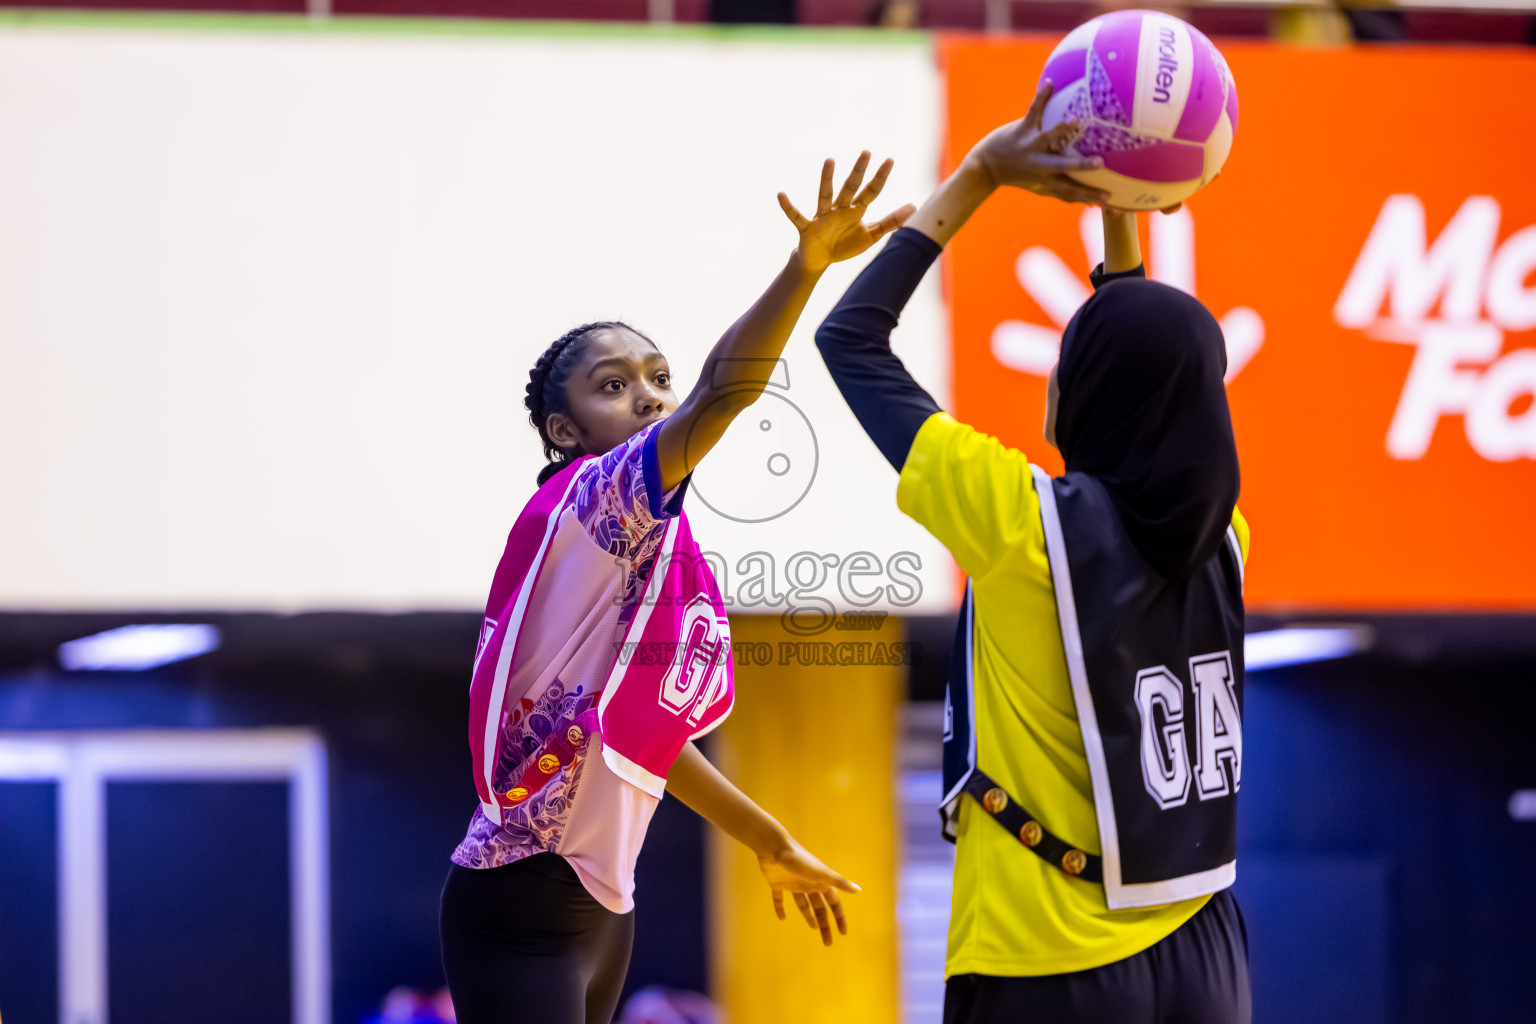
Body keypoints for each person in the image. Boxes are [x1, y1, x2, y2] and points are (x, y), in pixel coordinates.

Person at [440, 152, 915, 1024]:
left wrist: (769, 840)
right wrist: (803, 269)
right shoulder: (596, 501)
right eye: (614, 386)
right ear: (565, 428)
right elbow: (721, 399)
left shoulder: (645, 543)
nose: (651, 398)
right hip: (518, 903)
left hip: (603, 911)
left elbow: (642, 737)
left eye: (658, 377)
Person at [813, 84, 1252, 1023]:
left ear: (1091, 395)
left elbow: (850, 342)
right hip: (1207, 946)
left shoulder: (1019, 524)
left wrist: (980, 173)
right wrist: (1118, 205)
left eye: (1069, 361)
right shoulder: (1227, 539)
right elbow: (1154, 360)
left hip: (1050, 955)